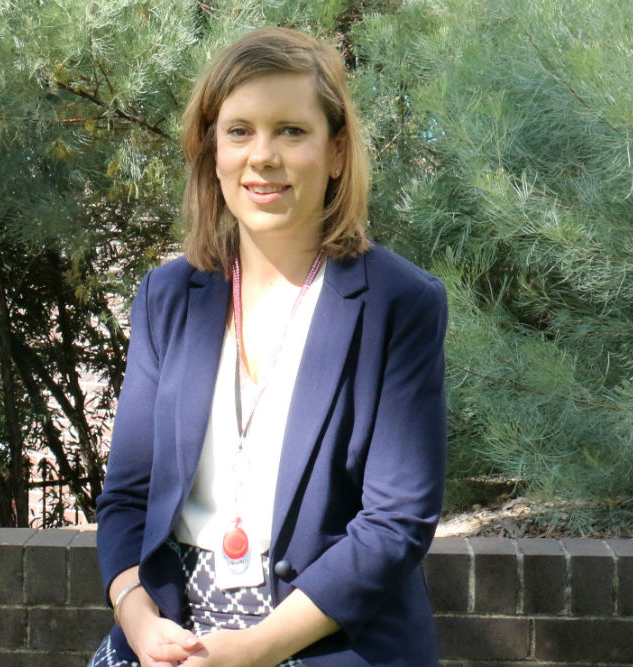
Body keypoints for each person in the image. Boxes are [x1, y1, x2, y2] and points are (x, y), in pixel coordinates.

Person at [89, 26, 447, 667]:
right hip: (171, 636)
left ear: (336, 151)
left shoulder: (400, 303)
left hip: (328, 640)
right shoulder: (167, 296)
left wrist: (252, 652)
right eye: (239, 131)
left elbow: (397, 522)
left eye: (290, 130)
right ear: (212, 151)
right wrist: (139, 620)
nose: (263, 156)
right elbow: (126, 496)